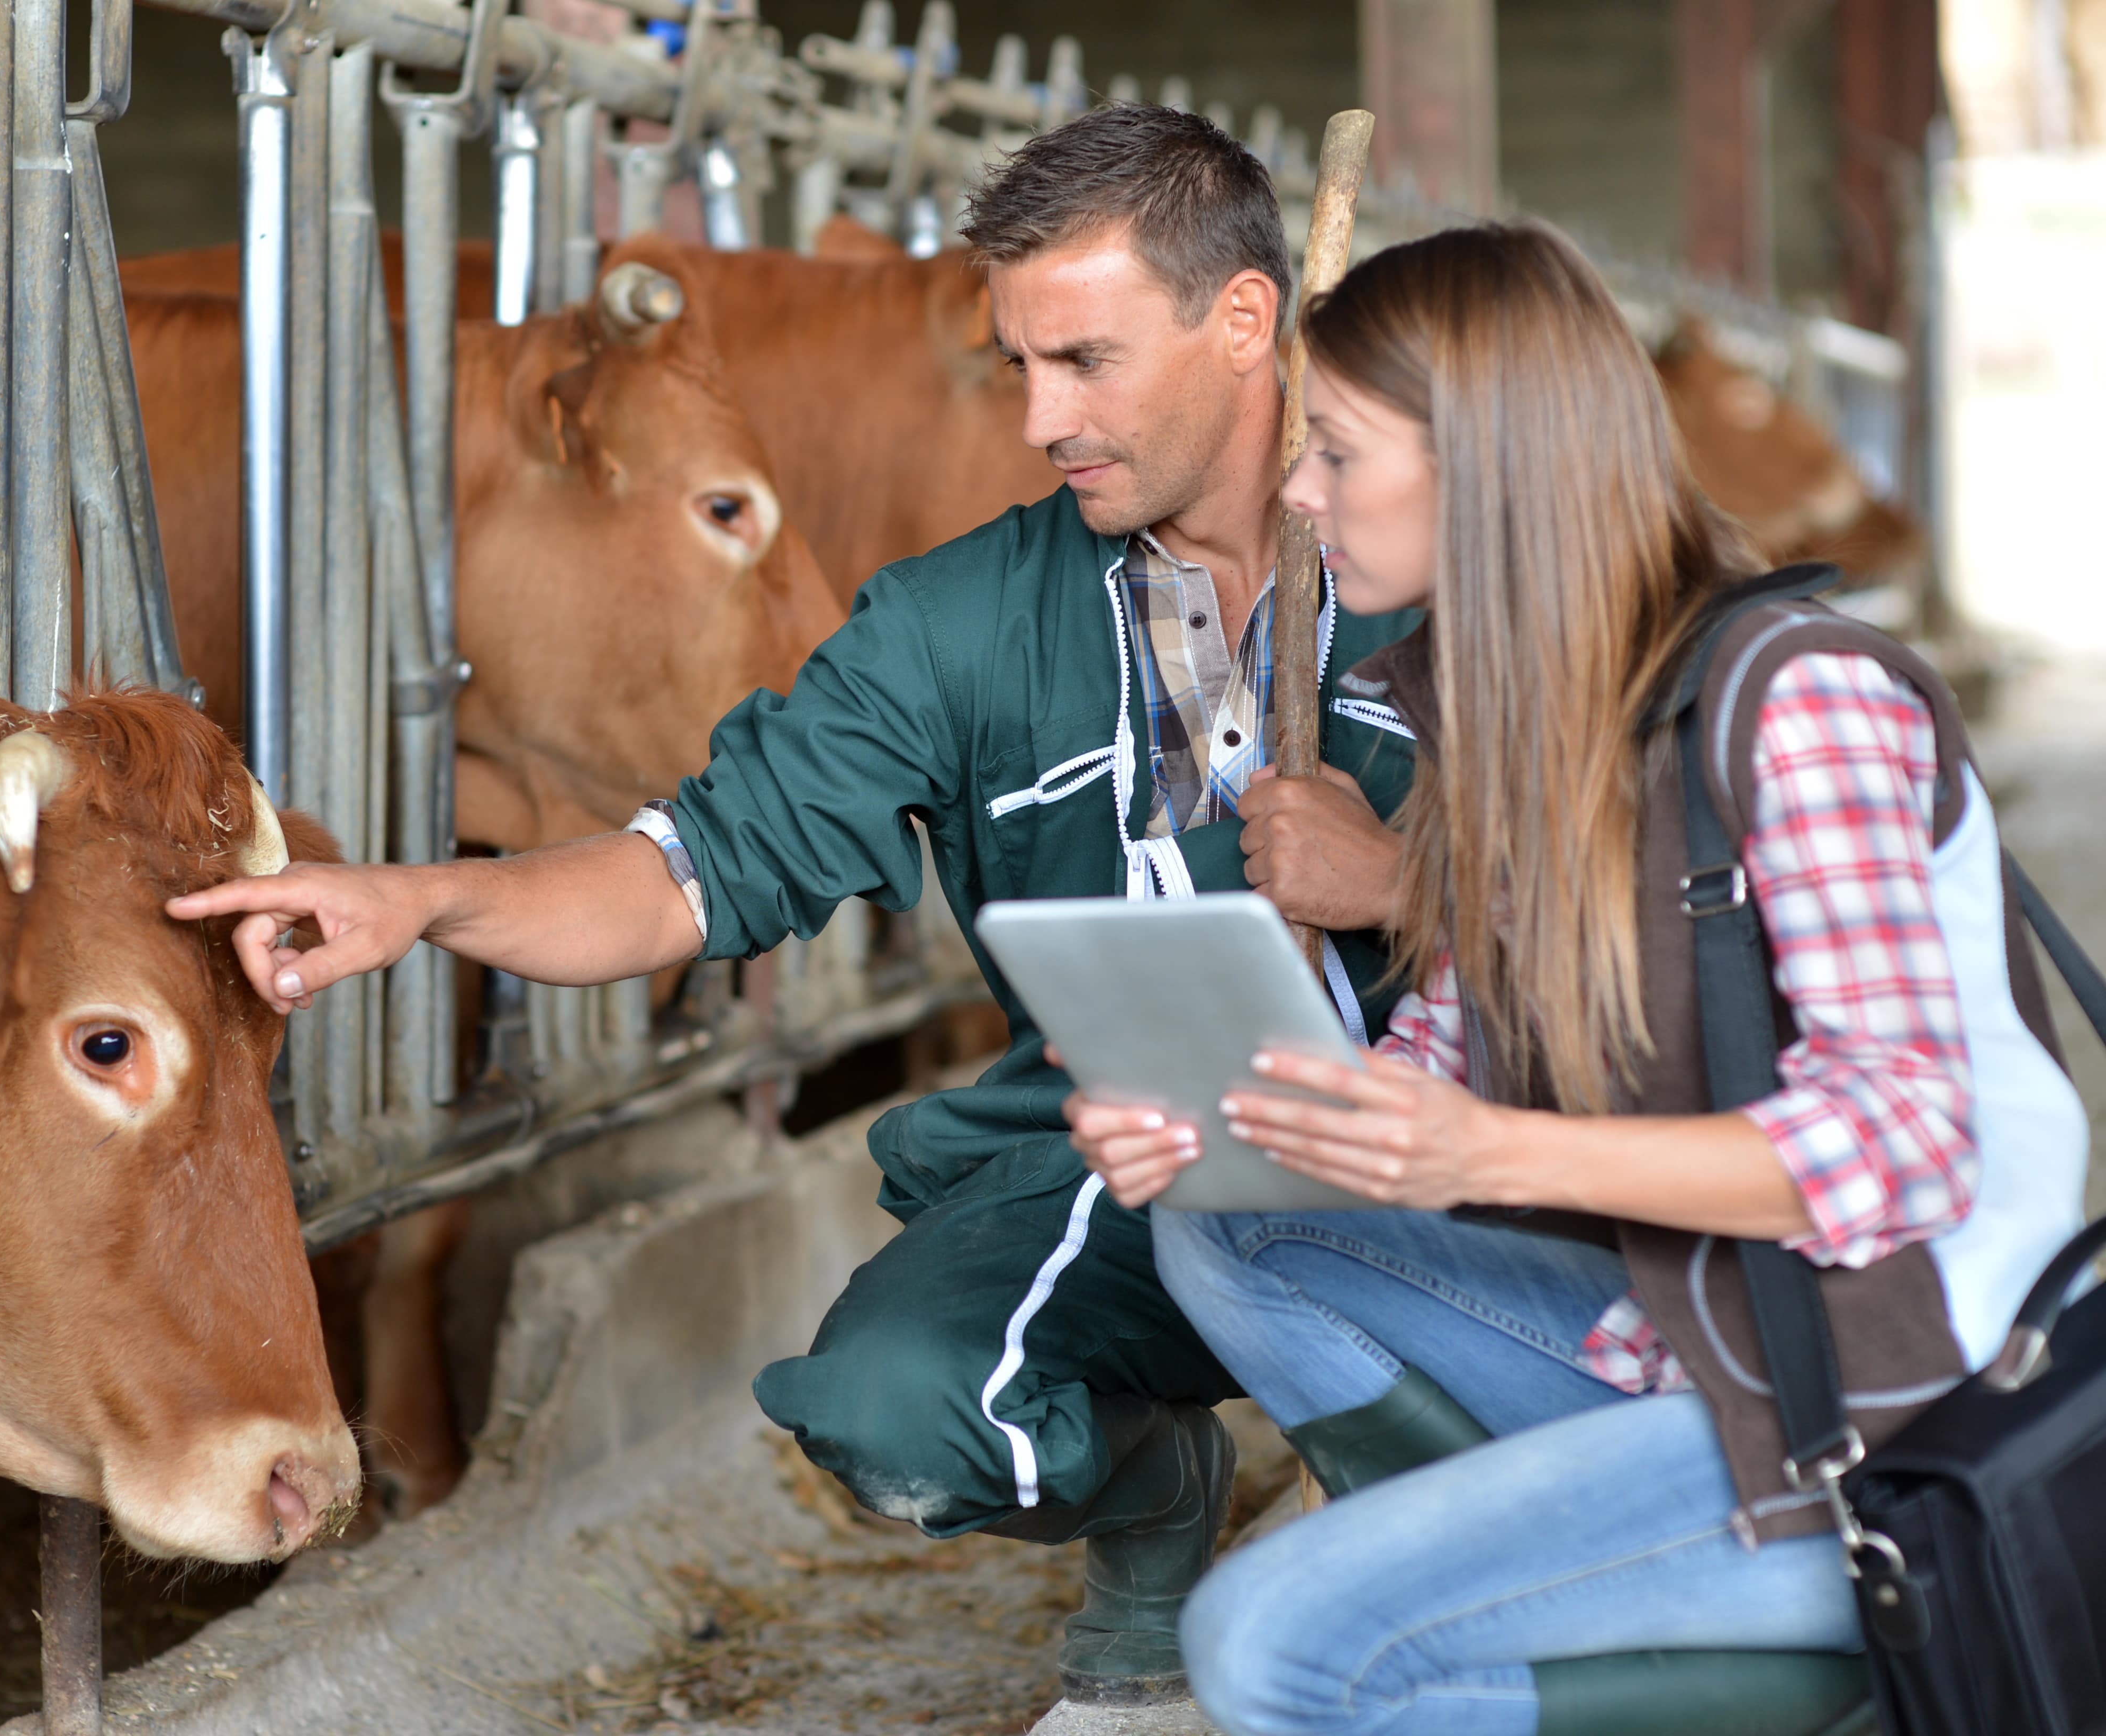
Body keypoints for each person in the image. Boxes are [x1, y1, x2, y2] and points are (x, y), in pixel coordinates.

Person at [169, 106, 1425, 1705]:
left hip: (1448, 1137)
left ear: (1247, 321)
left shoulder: (1435, 554)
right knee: (893, 1414)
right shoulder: (961, 617)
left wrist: (1401, 881)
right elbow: (688, 870)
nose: (1040, 419)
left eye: (1084, 362)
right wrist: (420, 902)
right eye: (1013, 365)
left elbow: (1645, 894)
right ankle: (1159, 1494)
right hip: (1131, 1155)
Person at [1066, 222, 2091, 1736]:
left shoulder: (1797, 700)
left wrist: (1491, 1152)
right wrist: (1222, 1116)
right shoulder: (1512, 725)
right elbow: (1439, 1066)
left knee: (1271, 1642)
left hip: (1900, 1417)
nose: (1294, 492)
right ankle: (1511, 1582)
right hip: (1694, 1341)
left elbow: (1901, 1141)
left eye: (1336, 452)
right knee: (1237, 1229)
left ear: (1486, 463)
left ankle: (1551, 1621)